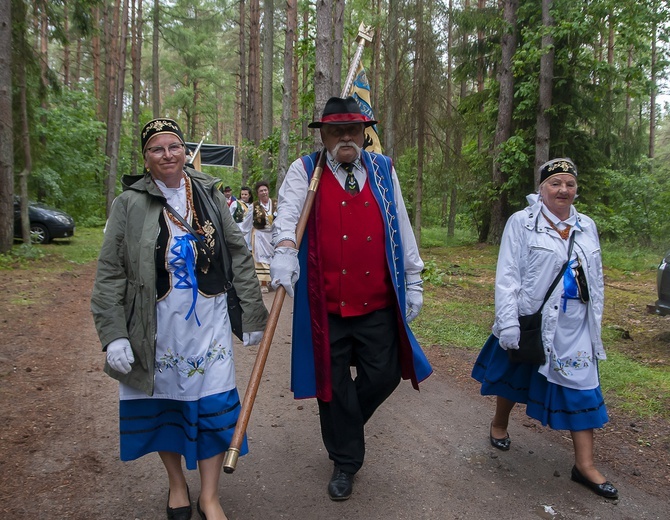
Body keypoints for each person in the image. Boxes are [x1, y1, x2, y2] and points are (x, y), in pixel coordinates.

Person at [91, 118, 269, 520]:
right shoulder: (128, 204)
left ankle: (209, 495)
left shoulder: (207, 191)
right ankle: (176, 484)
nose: (167, 155)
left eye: (174, 146)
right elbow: (109, 273)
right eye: (157, 148)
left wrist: (252, 312)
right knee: (164, 405)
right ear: (146, 157)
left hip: (210, 321)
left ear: (184, 151)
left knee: (213, 403)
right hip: (156, 325)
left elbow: (238, 253)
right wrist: (114, 335)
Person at [270, 96, 433, 501]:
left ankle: (345, 427)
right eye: (336, 131)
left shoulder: (382, 169)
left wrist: (414, 278)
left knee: (385, 373)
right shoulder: (304, 171)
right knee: (333, 382)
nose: (346, 138)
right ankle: (346, 461)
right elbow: (287, 219)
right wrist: (285, 252)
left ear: (365, 133)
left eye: (353, 130)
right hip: (326, 306)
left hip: (376, 300)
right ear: (323, 135)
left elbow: (402, 224)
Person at [471, 158, 618, 499]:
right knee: (515, 372)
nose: (563, 190)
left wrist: (595, 324)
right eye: (555, 184)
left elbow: (595, 279)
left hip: (574, 326)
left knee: (583, 386)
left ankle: (585, 465)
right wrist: (508, 324)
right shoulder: (522, 223)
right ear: (541, 188)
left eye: (569, 183)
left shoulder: (587, 225)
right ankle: (499, 423)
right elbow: (508, 276)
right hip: (531, 320)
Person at [239, 180, 276, 292]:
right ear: (257, 193)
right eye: (261, 191)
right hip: (260, 235)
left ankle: (273, 281)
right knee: (260, 258)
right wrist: (238, 233)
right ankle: (263, 282)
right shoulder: (254, 206)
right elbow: (246, 223)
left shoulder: (275, 203)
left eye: (265, 190)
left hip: (273, 235)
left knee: (274, 258)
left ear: (268, 191)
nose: (264, 192)